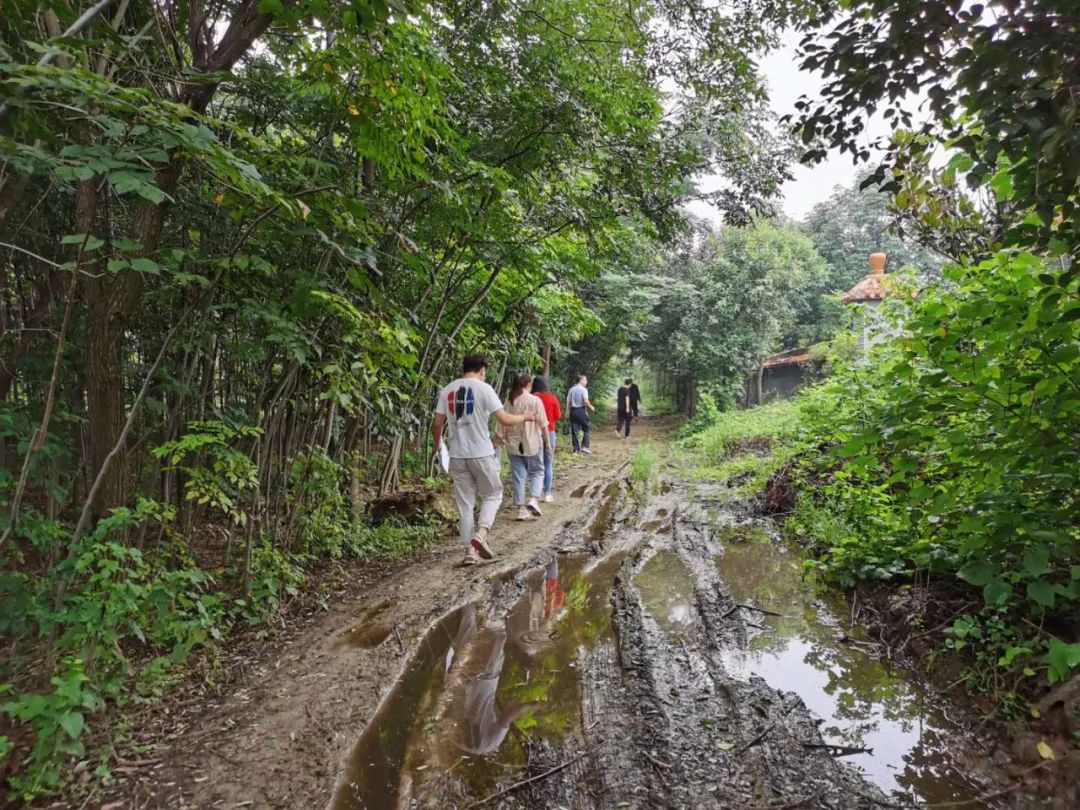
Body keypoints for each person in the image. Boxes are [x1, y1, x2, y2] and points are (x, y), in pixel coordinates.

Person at [432, 355, 536, 565]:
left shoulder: (447, 390)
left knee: (465, 504)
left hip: (457, 455)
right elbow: (504, 419)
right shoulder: (484, 388)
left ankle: (470, 552)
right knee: (493, 494)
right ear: (481, 371)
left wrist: (438, 444)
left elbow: (437, 423)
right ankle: (480, 535)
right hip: (481, 452)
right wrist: (525, 417)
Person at [501, 372, 549, 521]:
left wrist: (501, 437)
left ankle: (521, 509)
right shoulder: (535, 401)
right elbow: (544, 424)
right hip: (532, 443)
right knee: (537, 472)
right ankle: (534, 499)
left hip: (513, 445)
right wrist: (548, 442)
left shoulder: (509, 401)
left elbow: (502, 421)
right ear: (528, 384)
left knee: (519, 477)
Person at [531, 375, 561, 502]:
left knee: (536, 465)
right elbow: (558, 416)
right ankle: (547, 493)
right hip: (550, 432)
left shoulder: (531, 398)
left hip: (534, 433)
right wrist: (550, 421)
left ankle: (535, 494)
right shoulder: (552, 397)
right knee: (548, 464)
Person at [566, 374, 595, 454]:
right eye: (585, 380)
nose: (586, 382)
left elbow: (568, 401)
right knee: (586, 428)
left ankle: (576, 450)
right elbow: (585, 400)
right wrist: (591, 407)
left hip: (573, 411)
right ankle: (585, 447)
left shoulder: (571, 389)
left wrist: (567, 412)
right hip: (581, 411)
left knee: (574, 431)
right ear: (581, 380)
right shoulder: (584, 389)